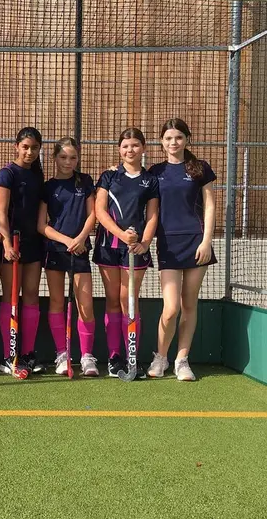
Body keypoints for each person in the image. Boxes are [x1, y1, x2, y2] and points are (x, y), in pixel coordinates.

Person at [146, 118, 217, 381]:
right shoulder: (155, 171)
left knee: (189, 305)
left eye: (178, 137)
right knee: (171, 308)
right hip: (168, 245)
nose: (173, 142)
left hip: (196, 243)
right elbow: (134, 185)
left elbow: (210, 205)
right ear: (161, 142)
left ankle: (182, 360)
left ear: (187, 139)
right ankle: (160, 358)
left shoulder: (200, 168)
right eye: (168, 138)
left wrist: (206, 241)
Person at [93, 127, 159, 379]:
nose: (130, 150)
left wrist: (145, 242)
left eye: (135, 145)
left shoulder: (150, 180)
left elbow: (152, 215)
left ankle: (132, 356)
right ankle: (114, 357)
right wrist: (121, 235)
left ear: (143, 148)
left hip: (135, 248)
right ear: (119, 149)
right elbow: (100, 211)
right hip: (109, 245)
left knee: (129, 300)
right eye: (125, 146)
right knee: (112, 300)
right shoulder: (109, 176)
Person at [37, 137, 97, 376]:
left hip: (80, 250)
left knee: (85, 304)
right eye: (63, 157)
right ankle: (62, 354)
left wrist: (80, 239)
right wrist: (66, 241)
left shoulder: (85, 181)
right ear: (54, 158)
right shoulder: (48, 187)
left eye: (73, 158)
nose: (68, 162)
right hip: (56, 250)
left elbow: (92, 215)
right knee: (56, 302)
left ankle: (87, 356)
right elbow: (41, 225)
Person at [0, 127, 45, 375]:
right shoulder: (7, 174)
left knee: (32, 295)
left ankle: (27, 353)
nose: (29, 152)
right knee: (11, 296)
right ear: (16, 146)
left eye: (34, 148)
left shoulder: (37, 175)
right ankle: (10, 355)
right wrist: (6, 243)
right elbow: (1, 213)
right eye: (25, 147)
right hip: (12, 244)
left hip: (34, 242)